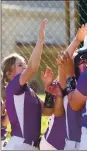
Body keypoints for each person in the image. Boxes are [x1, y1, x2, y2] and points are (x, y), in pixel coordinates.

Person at [1, 19, 61, 150]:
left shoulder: (29, 92)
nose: (25, 66)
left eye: (25, 64)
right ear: (10, 73)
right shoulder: (13, 87)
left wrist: (49, 89)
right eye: (20, 65)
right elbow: (33, 68)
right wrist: (40, 41)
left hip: (29, 147)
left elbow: (47, 111)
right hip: (19, 145)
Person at [39, 24, 87, 150]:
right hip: (53, 143)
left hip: (73, 144)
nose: (86, 63)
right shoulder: (68, 83)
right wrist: (77, 40)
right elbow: (64, 59)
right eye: (81, 61)